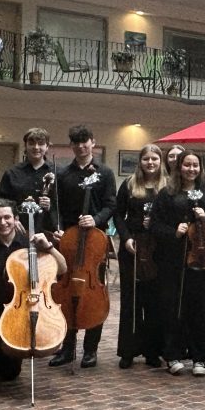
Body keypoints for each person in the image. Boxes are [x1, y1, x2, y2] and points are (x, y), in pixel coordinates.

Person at [0, 199, 67, 388]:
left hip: (26, 303)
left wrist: (49, 247)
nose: (3, 222)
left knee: (11, 373)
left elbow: (62, 269)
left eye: (7, 217)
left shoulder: (31, 246)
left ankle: (7, 360)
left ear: (16, 219)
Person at [150, 151, 205, 376]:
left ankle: (199, 357)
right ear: (179, 167)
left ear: (200, 168)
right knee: (173, 308)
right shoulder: (167, 194)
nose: (191, 169)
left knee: (199, 309)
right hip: (173, 261)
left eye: (195, 165)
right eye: (187, 165)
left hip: (202, 260)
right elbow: (155, 225)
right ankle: (172, 355)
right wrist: (174, 231)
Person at [48, 125, 117, 369]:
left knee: (93, 294)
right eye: (76, 142)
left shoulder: (105, 173)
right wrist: (58, 227)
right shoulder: (64, 174)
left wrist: (95, 219)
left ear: (92, 142)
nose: (81, 146)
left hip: (95, 244)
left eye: (84, 141)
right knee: (65, 295)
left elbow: (111, 205)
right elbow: (56, 206)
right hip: (68, 242)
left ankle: (90, 350)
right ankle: (66, 349)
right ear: (72, 146)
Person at [114, 144, 167, 369]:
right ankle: (128, 351)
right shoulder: (128, 184)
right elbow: (117, 214)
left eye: (154, 158)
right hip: (132, 247)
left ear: (160, 161)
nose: (150, 163)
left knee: (154, 302)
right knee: (131, 301)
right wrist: (125, 238)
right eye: (146, 159)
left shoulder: (168, 186)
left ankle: (152, 352)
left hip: (157, 250)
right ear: (140, 162)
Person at [0, 128, 57, 232]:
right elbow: (1, 202)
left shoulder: (58, 172)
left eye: (41, 144)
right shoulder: (12, 173)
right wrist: (13, 219)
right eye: (31, 143)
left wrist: (51, 205)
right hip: (19, 230)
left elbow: (65, 204)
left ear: (47, 147)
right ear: (25, 146)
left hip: (49, 230)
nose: (36, 147)